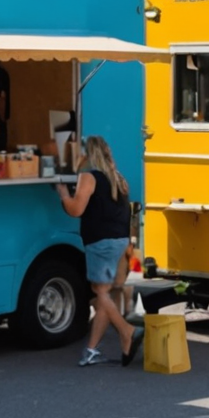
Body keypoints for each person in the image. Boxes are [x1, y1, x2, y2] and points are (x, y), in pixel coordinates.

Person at [57, 137, 142, 367]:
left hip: (101, 242)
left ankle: (127, 332)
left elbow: (76, 210)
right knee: (108, 295)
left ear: (88, 155)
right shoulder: (118, 178)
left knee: (100, 292)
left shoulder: (89, 177)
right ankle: (91, 350)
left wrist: (64, 194)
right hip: (121, 241)